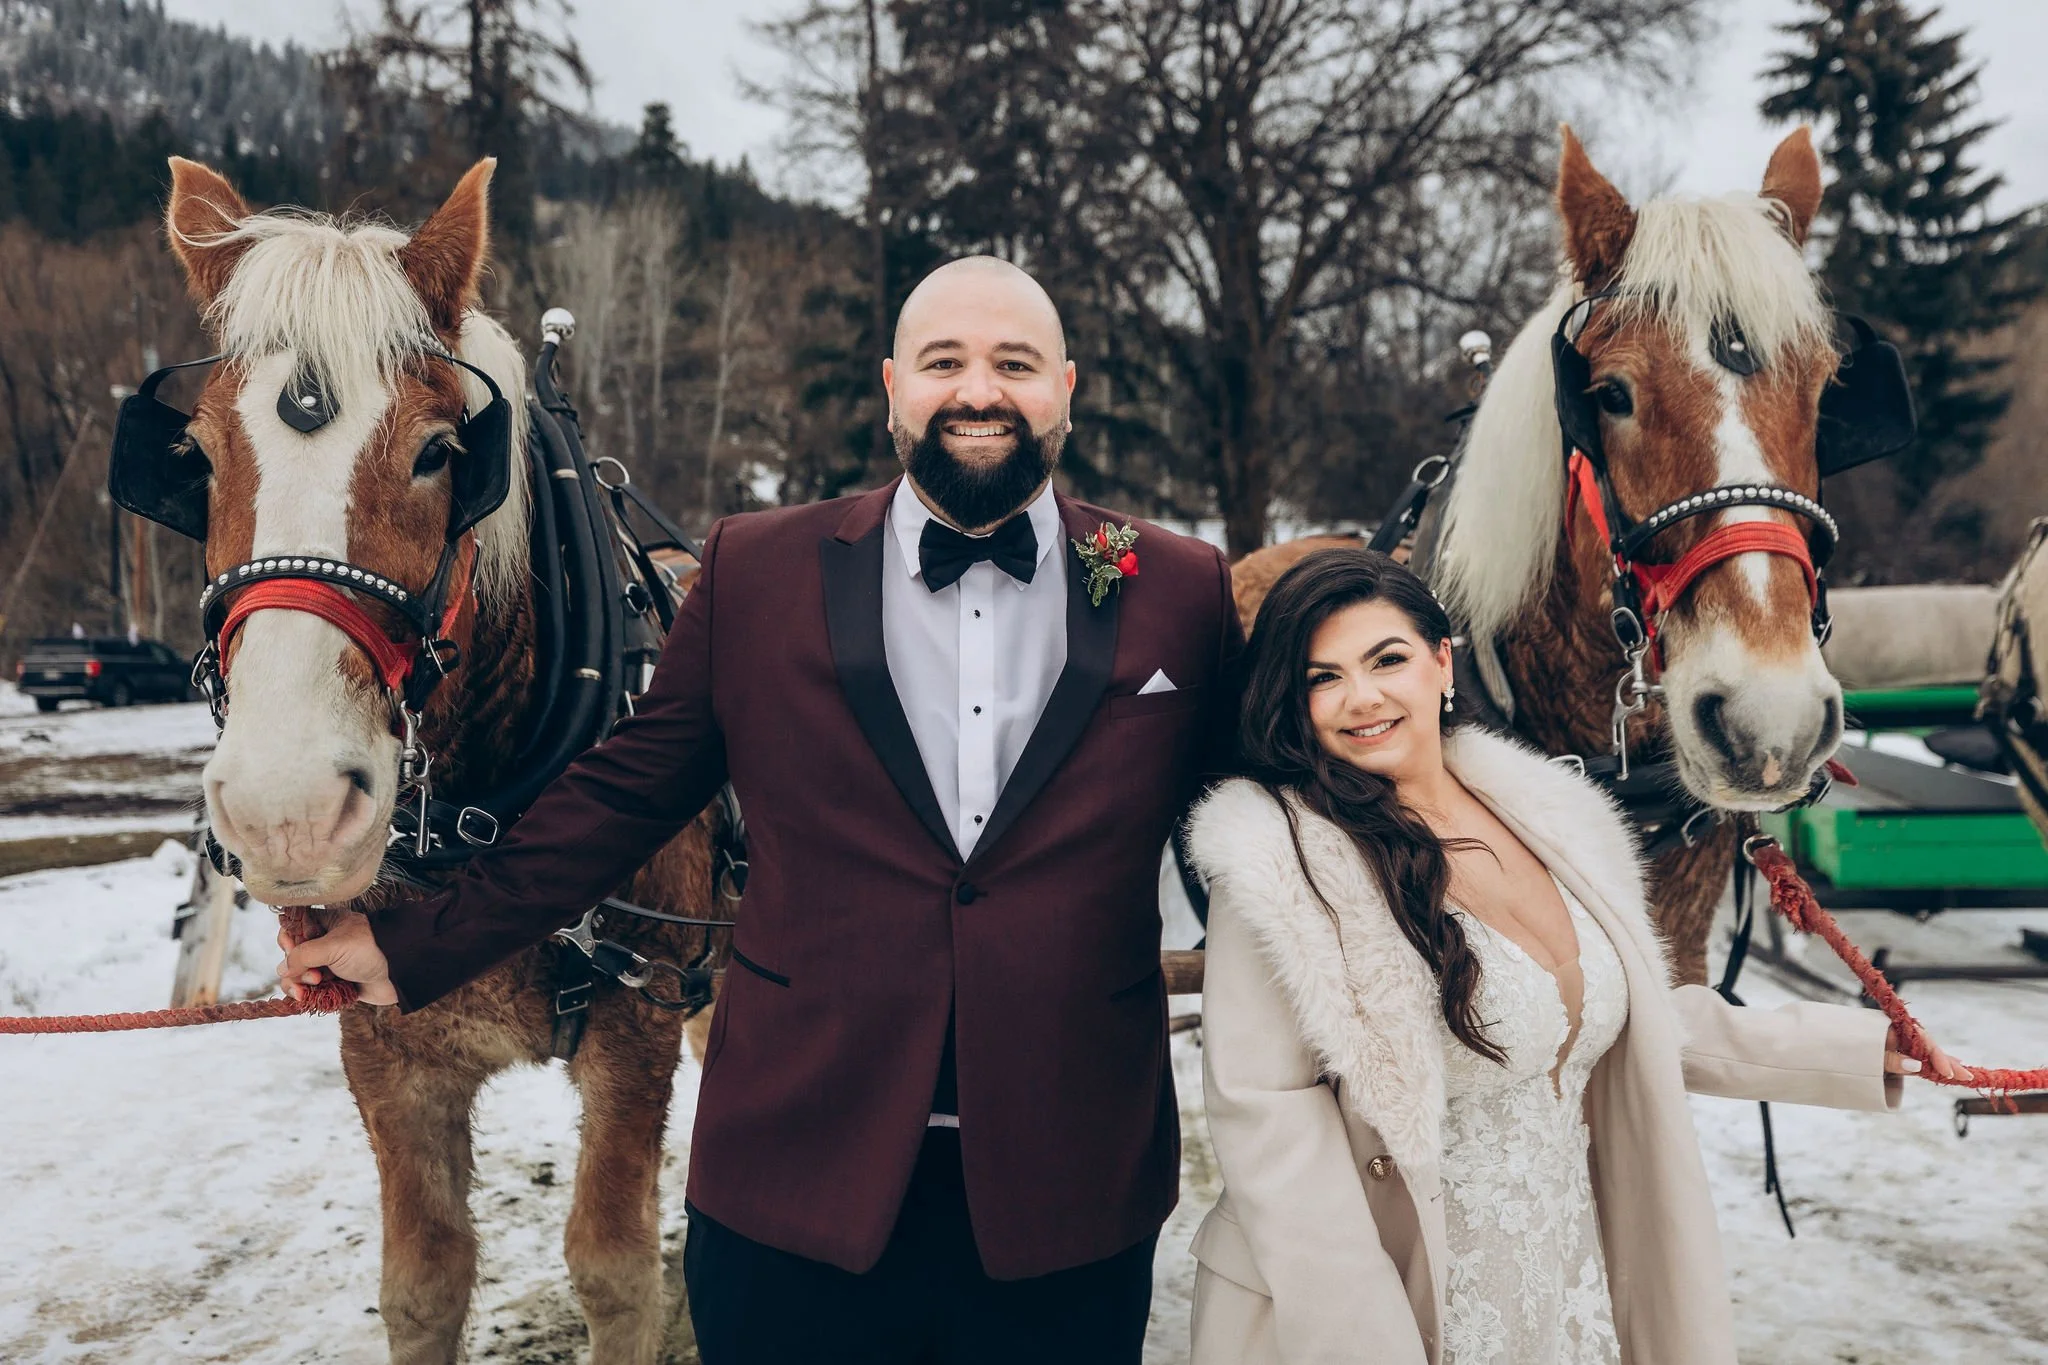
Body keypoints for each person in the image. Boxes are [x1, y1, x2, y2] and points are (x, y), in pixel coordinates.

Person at [279, 255, 1242, 1363]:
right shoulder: (760, 569)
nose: (978, 390)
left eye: (1013, 363)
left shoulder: (1178, 588)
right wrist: (408, 943)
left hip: (1069, 1193)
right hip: (793, 1184)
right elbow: (624, 792)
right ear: (893, 387)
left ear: (1062, 387)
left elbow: (1249, 827)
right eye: (944, 362)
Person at [1182, 548, 1967, 1365]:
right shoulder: (1279, 863)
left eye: (1388, 659)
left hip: (1557, 1288)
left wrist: (1860, 1048)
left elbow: (1613, 1011)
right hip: (1378, 1304)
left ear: (1441, 662)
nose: (1363, 697)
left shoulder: (1550, 814)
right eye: (1323, 677)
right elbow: (1271, 1133)